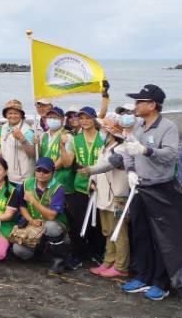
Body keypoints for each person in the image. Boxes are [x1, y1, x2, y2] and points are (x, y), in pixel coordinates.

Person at [120, 84, 179, 301]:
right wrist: (131, 171)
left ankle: (160, 283)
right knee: (140, 233)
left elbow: (172, 155)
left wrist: (147, 150)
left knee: (160, 238)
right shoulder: (138, 127)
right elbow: (128, 153)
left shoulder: (168, 127)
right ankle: (143, 276)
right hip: (139, 186)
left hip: (161, 188)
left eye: (140, 102)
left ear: (152, 105)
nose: (135, 105)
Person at [86, 113, 131, 278]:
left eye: (103, 129)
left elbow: (106, 166)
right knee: (108, 231)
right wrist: (92, 180)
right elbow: (98, 168)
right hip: (103, 197)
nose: (100, 132)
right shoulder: (104, 148)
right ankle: (108, 261)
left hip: (118, 198)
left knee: (120, 231)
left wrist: (90, 171)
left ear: (111, 132)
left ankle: (121, 266)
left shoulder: (121, 150)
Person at [61, 106, 106, 269]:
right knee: (77, 222)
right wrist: (61, 146)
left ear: (94, 119)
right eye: (81, 118)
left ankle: (97, 252)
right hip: (80, 185)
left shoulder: (104, 136)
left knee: (99, 222)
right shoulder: (74, 139)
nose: (85, 121)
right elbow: (67, 163)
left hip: (101, 184)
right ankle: (78, 254)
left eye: (88, 118)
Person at [13, 157, 70, 274]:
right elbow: (22, 206)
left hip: (54, 224)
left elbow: (51, 216)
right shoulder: (27, 183)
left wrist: (33, 201)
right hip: (34, 224)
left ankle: (58, 260)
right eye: (38, 170)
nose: (41, 173)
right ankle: (39, 252)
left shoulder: (58, 188)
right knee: (18, 250)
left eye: (45, 171)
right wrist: (30, 219)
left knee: (51, 226)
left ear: (53, 173)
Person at [0, 99, 35, 184]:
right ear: (6, 115)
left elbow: (32, 154)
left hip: (23, 179)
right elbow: (4, 147)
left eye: (16, 113)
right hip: (6, 175)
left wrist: (22, 139)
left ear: (21, 115)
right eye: (10, 113)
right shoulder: (4, 127)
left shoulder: (28, 131)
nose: (13, 116)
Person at [38, 107, 72, 195]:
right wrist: (36, 145)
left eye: (55, 117)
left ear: (62, 119)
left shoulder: (67, 136)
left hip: (60, 180)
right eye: (49, 117)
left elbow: (63, 161)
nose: (52, 120)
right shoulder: (43, 135)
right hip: (44, 180)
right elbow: (39, 155)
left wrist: (46, 171)